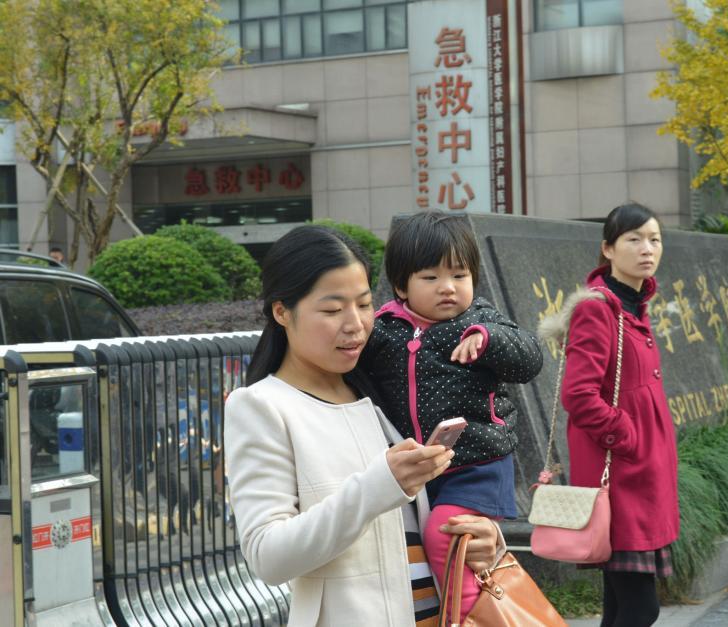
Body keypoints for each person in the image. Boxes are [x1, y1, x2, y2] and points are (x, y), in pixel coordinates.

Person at [223, 225, 504, 627]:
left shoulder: (377, 393)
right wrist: (379, 485)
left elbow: (416, 525)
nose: (355, 324)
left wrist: (484, 538)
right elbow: (268, 556)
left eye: (365, 304)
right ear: (282, 312)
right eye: (332, 310)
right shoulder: (262, 406)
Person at [359, 211, 543, 621]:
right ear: (401, 285)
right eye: (430, 277)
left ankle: (468, 617)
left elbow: (530, 357)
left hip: (476, 465)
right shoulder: (383, 329)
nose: (448, 287)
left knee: (445, 535)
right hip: (417, 468)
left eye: (459, 275)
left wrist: (488, 340)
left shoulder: (479, 321)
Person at [545, 203, 679, 627]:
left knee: (620, 608)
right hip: (621, 478)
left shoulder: (635, 306)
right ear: (608, 249)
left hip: (642, 476)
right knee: (641, 608)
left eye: (654, 239)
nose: (647, 249)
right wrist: (626, 436)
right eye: (634, 239)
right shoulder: (598, 309)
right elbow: (579, 395)